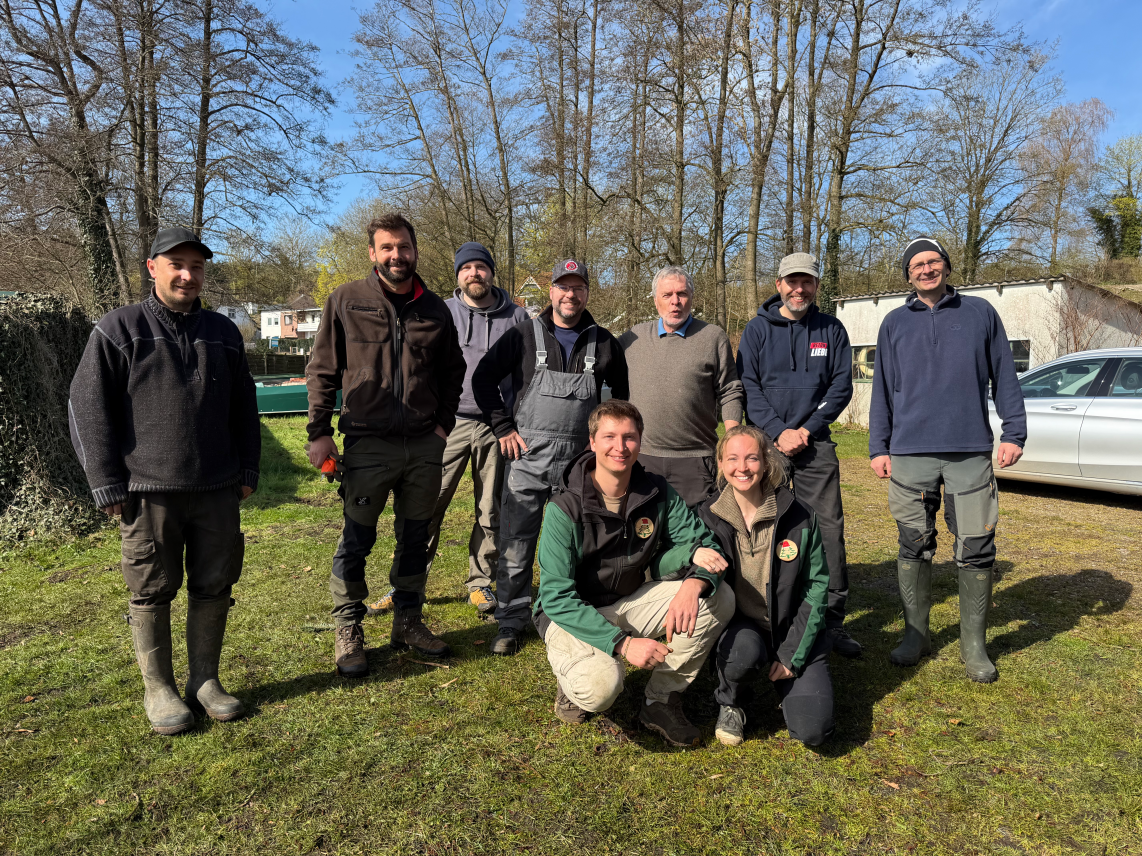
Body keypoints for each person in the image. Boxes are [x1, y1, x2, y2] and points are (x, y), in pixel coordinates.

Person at [68, 226, 260, 735]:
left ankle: (204, 681)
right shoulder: (118, 328)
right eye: (176, 264)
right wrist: (105, 482)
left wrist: (248, 468)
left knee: (215, 582)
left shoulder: (223, 332)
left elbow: (245, 407)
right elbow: (87, 408)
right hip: (146, 490)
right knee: (151, 588)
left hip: (217, 487)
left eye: (196, 266)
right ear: (152, 267)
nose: (187, 274)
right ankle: (159, 689)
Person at [306, 213, 466, 675]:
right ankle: (348, 627)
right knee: (357, 538)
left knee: (416, 538)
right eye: (387, 248)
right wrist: (319, 433)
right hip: (366, 443)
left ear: (416, 250)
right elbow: (322, 371)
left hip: (423, 446)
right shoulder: (346, 300)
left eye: (404, 247)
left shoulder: (435, 309)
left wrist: (441, 428)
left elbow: (453, 374)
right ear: (373, 253)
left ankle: (408, 621)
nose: (397, 255)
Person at [869, 237, 1026, 683]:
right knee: (913, 543)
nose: (925, 270)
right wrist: (879, 446)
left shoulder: (980, 314)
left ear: (946, 266)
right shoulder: (894, 323)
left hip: (969, 451)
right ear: (908, 274)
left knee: (976, 546)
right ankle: (916, 634)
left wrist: (1014, 432)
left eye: (932, 261)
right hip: (910, 452)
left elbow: (1005, 376)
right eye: (916, 265)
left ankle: (974, 645)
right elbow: (883, 389)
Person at [534, 400, 735, 747]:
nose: (620, 446)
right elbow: (556, 597)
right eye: (609, 436)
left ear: (640, 442)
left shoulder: (656, 493)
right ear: (592, 442)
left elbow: (702, 543)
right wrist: (623, 645)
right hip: (570, 616)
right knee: (600, 689)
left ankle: (661, 700)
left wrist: (694, 583)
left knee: (719, 597)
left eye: (629, 437)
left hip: (628, 601)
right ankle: (572, 685)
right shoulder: (564, 509)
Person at [471, 259, 629, 656]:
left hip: (579, 465)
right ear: (552, 292)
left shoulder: (605, 343)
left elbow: (622, 402)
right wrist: (502, 426)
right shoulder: (523, 334)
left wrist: (608, 446)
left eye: (577, 287)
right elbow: (482, 378)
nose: (570, 294)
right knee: (517, 540)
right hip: (528, 458)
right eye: (563, 286)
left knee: (577, 543)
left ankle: (567, 615)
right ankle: (510, 619)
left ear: (587, 293)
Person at [365, 242, 528, 618]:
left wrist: (512, 420)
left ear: (491, 272)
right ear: (458, 274)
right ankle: (407, 583)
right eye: (467, 267)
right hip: (447, 424)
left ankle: (480, 582)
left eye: (481, 267)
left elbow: (524, 375)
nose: (474, 273)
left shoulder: (517, 317)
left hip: (497, 428)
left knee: (491, 509)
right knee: (425, 505)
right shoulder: (440, 312)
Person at [736, 252, 859, 658]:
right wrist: (777, 432)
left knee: (827, 531)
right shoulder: (756, 331)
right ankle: (766, 614)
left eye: (807, 281)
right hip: (766, 448)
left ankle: (831, 620)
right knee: (764, 530)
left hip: (815, 444)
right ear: (779, 285)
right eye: (792, 281)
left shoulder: (832, 330)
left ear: (816, 286)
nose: (799, 289)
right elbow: (749, 388)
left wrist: (806, 430)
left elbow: (841, 387)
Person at [696, 425, 834, 747]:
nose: (742, 467)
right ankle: (732, 702)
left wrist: (790, 656)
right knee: (742, 654)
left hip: (793, 628)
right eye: (732, 458)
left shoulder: (799, 515)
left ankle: (789, 681)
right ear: (720, 463)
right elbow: (676, 558)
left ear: (766, 462)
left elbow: (817, 587)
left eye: (751, 458)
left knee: (814, 730)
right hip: (744, 627)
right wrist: (692, 553)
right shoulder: (707, 515)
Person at [617, 266, 743, 507]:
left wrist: (731, 445)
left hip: (696, 461)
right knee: (645, 534)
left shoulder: (713, 337)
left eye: (682, 294)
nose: (675, 302)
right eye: (667, 295)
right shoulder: (632, 339)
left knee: (697, 536)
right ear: (656, 301)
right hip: (642, 458)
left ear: (691, 298)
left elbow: (730, 391)